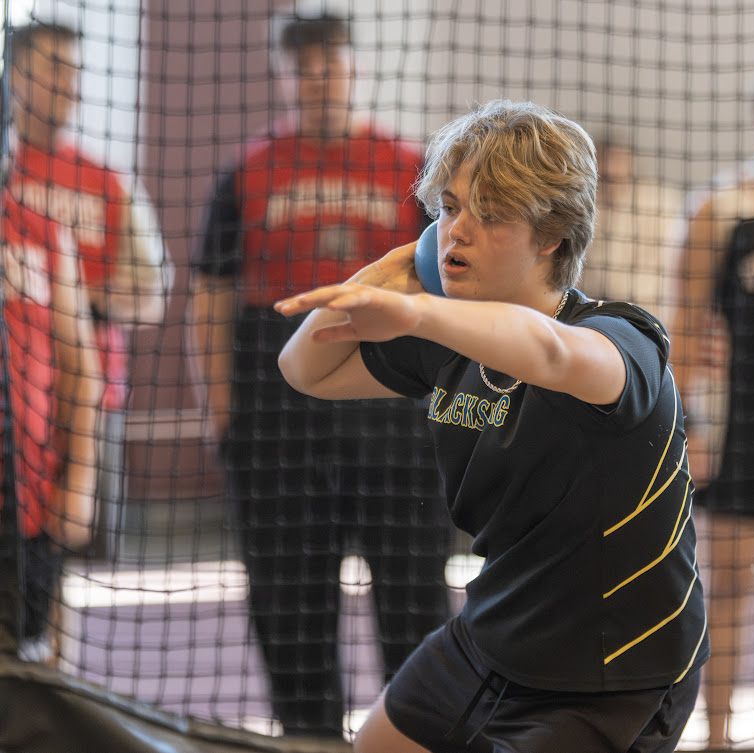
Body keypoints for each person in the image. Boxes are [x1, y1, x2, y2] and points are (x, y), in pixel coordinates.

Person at [275, 98, 709, 753]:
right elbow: (304, 367)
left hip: (614, 671)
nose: (457, 231)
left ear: (551, 236)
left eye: (491, 214)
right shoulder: (451, 335)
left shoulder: (623, 338)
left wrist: (417, 312)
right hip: (494, 632)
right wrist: (386, 273)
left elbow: (547, 349)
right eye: (448, 208)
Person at [188, 12, 452, 742]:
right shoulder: (247, 171)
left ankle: (420, 733)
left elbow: (447, 288)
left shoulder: (410, 167)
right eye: (305, 67)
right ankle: (308, 738)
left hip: (393, 411)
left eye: (331, 63)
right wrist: (223, 414)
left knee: (415, 598)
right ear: (286, 75)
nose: (320, 78)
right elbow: (209, 294)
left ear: (354, 67)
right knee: (289, 602)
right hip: (280, 417)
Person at [6, 21, 173, 556]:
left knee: (74, 558)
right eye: (55, 67)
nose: (69, 83)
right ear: (16, 75)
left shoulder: (108, 181)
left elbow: (152, 295)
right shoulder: (6, 175)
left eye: (75, 70)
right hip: (13, 395)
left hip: (93, 398)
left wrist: (77, 301)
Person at [670, 66, 754, 749]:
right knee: (725, 590)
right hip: (743, 432)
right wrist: (693, 426)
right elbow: (687, 321)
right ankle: (716, 737)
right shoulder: (720, 208)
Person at [0, 184, 103, 661]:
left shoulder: (37, 228)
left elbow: (82, 369)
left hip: (27, 504)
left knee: (25, 671)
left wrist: (80, 478)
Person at [579, 139, 685, 329]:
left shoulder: (659, 205)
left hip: (652, 317)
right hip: (594, 317)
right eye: (607, 176)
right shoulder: (583, 208)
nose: (614, 177)